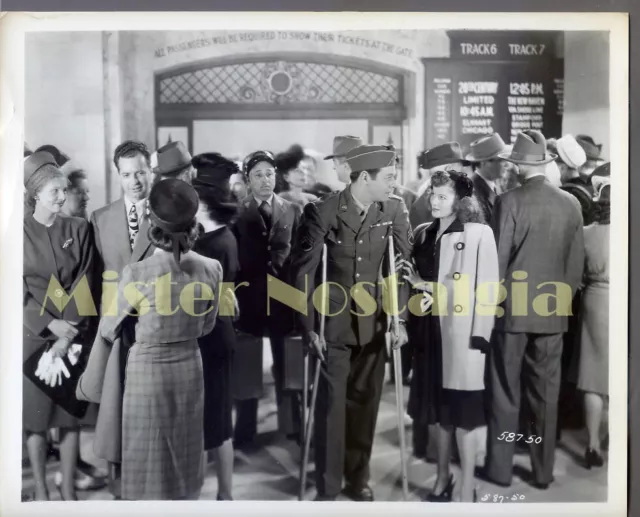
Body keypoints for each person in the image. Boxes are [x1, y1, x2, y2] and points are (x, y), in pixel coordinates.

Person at [288, 144, 411, 502]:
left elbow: (401, 269)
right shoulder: (323, 212)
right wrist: (308, 327)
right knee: (332, 407)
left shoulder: (394, 209)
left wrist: (398, 318)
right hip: (332, 327)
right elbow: (304, 272)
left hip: (375, 324)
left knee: (366, 402)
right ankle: (328, 485)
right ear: (364, 178)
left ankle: (358, 478)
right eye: (388, 178)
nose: (394, 184)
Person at [97, 178, 222, 500]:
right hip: (189, 370)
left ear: (152, 222)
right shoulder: (212, 268)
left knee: (147, 457)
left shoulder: (138, 273)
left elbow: (109, 328)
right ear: (193, 223)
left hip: (146, 375)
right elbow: (207, 327)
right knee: (184, 452)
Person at [485, 130, 585, 490]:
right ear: (545, 163)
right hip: (553, 313)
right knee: (546, 395)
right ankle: (543, 472)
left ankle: (499, 468)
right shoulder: (570, 204)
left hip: (512, 313)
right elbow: (576, 269)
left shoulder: (508, 202)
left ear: (518, 167)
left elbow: (497, 264)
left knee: (505, 392)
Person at [402, 169, 498, 503]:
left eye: (442, 196)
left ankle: (466, 483)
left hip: (462, 334)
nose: (435, 201)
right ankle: (442, 478)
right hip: (428, 332)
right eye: (432, 194)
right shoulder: (423, 233)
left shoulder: (478, 234)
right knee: (438, 413)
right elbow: (411, 282)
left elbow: (486, 290)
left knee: (463, 415)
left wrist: (481, 335)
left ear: (459, 201)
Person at [23, 159, 97, 501]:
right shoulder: (15, 232)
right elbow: (13, 288)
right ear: (36, 194)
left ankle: (67, 491)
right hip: (34, 336)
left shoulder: (78, 228)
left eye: (64, 191)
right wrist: (48, 324)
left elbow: (85, 279)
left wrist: (68, 332)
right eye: (55, 191)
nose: (61, 196)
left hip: (72, 334)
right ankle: (40, 491)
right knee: (36, 421)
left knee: (69, 417)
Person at [89, 140, 155, 499]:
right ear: (118, 175)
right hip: (114, 328)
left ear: (151, 171)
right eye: (127, 174)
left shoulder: (164, 213)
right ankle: (118, 489)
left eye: (141, 173)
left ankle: (147, 484)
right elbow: (95, 276)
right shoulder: (100, 218)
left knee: (148, 407)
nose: (135, 181)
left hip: (153, 326)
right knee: (114, 408)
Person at [232, 150, 302, 445]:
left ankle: (292, 424)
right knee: (247, 365)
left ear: (278, 176)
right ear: (248, 180)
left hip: (284, 299)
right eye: (258, 175)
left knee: (288, 363)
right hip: (249, 299)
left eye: (270, 174)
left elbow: (299, 258)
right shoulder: (236, 213)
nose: (265, 180)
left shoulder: (293, 210)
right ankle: (245, 430)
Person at [192, 152, 241, 500]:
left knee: (215, 420)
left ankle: (224, 494)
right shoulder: (223, 236)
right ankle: (224, 493)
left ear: (204, 204)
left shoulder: (210, 245)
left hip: (210, 337)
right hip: (219, 333)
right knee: (218, 417)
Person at [577, 165, 610, 469]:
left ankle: (593, 445)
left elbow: (576, 276)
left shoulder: (586, 234)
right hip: (625, 301)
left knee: (593, 377)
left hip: (595, 301)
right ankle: (614, 434)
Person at [465, 133, 509, 223]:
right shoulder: (471, 193)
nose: (507, 164)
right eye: (501, 160)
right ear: (484, 163)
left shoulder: (497, 184)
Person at [275, 144, 319, 208]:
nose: (303, 173)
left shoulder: (312, 199)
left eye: (303, 169)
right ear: (286, 177)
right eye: (297, 170)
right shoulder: (280, 200)